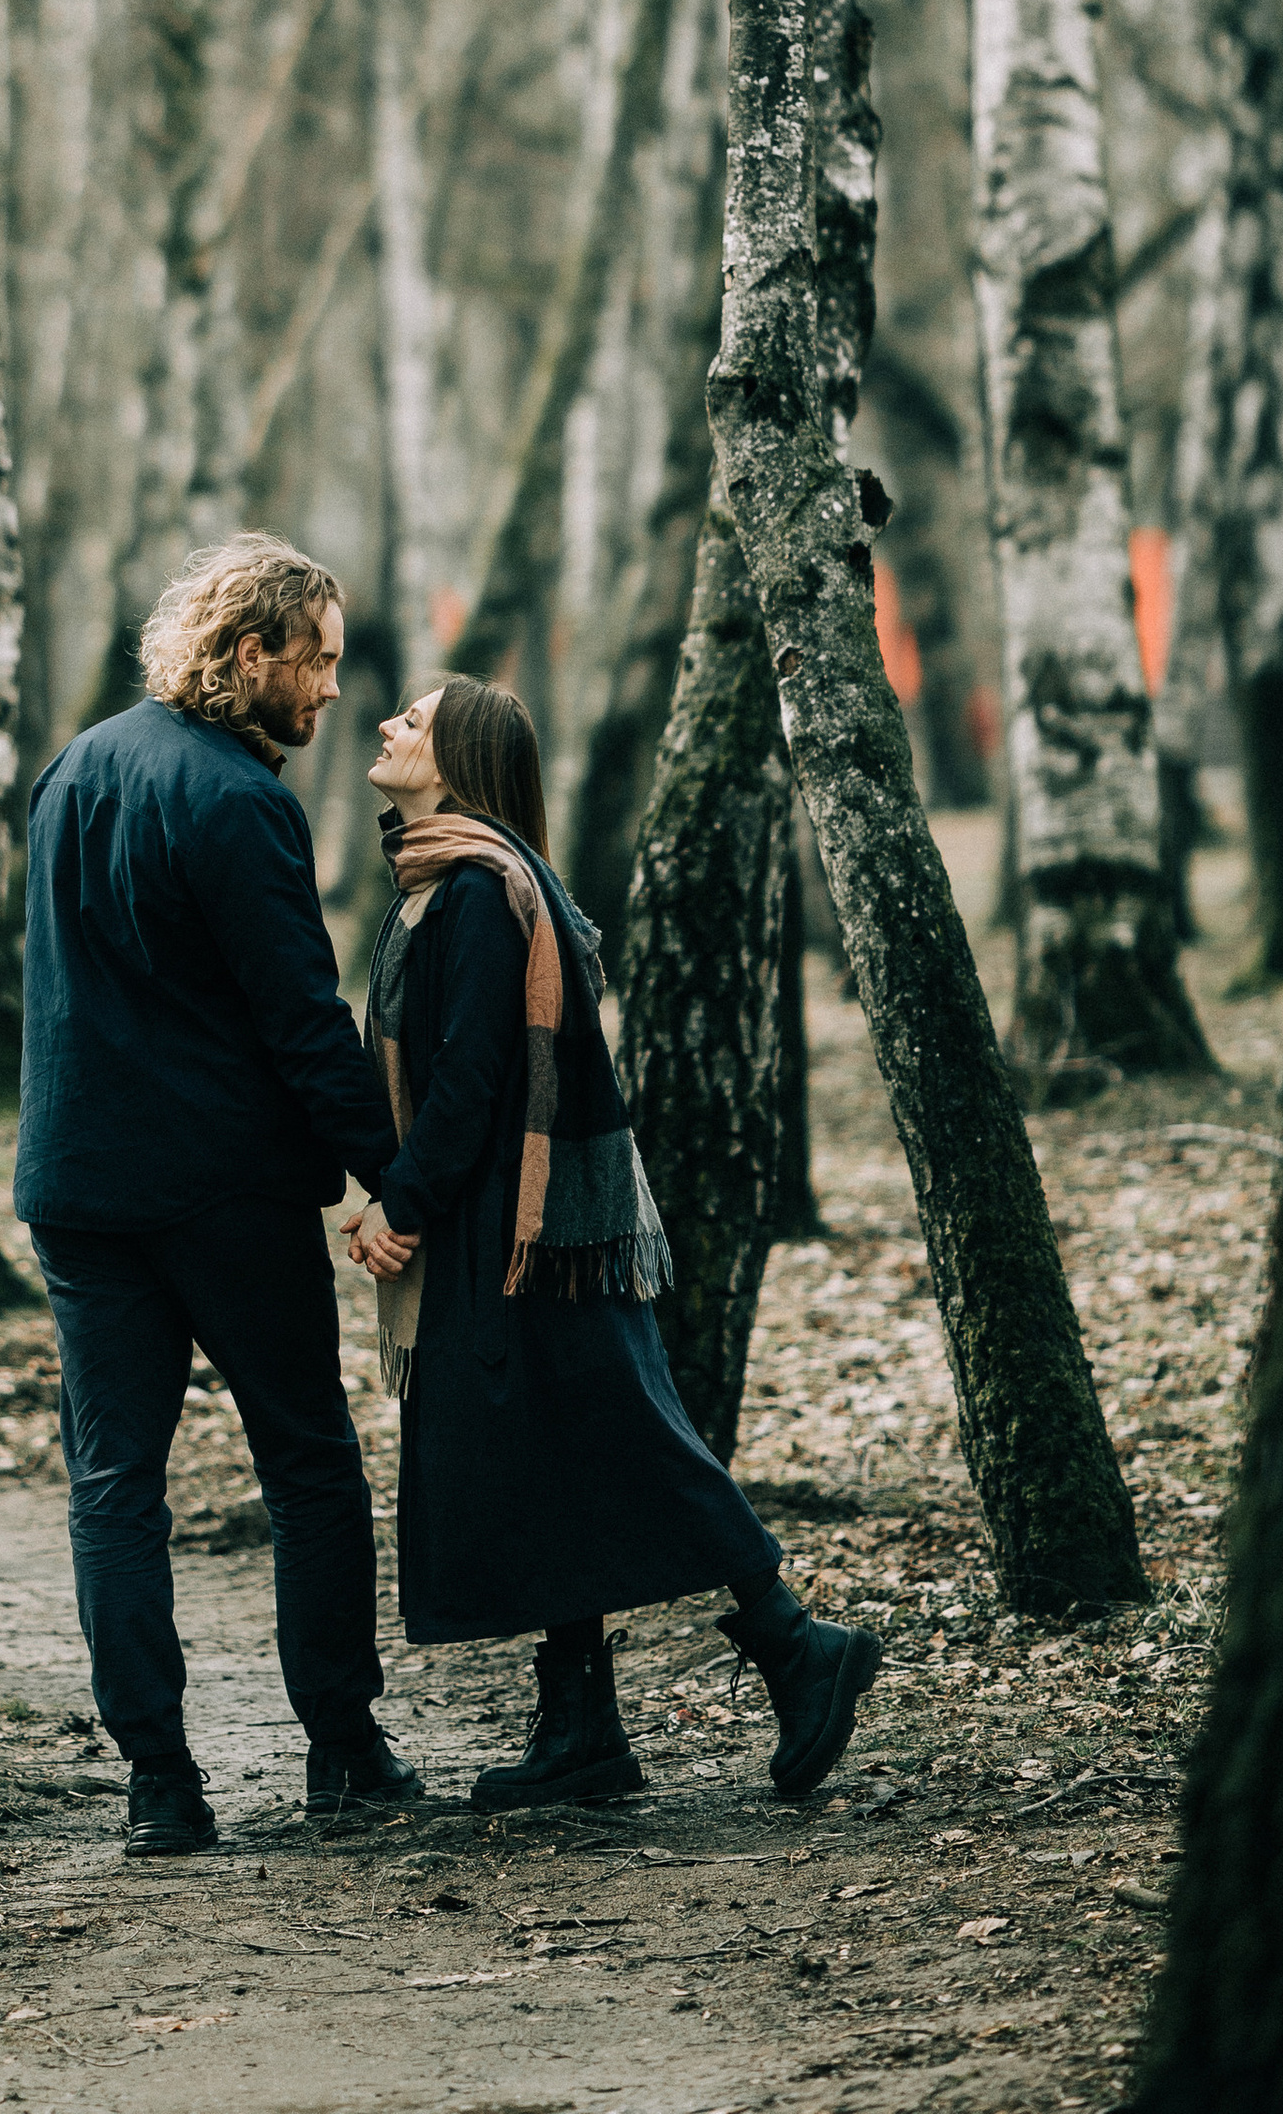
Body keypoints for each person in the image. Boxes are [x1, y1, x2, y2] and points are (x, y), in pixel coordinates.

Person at [346, 675, 880, 1810]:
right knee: (556, 1453)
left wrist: (403, 1202)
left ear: (458, 760)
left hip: (534, 1230)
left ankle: (797, 1645)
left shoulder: (481, 892)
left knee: (629, 1438)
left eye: (414, 720)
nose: (387, 726)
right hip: (513, 1223)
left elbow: (471, 1074)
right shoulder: (440, 885)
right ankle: (583, 1728)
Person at [14, 533, 424, 1857]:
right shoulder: (241, 801)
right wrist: (401, 1175)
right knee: (309, 1466)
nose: (331, 691)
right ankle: (344, 1754)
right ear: (250, 654)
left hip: (79, 1186)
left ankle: (159, 1787)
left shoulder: (75, 768)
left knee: (113, 1486)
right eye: (318, 661)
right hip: (223, 1194)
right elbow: (303, 1020)